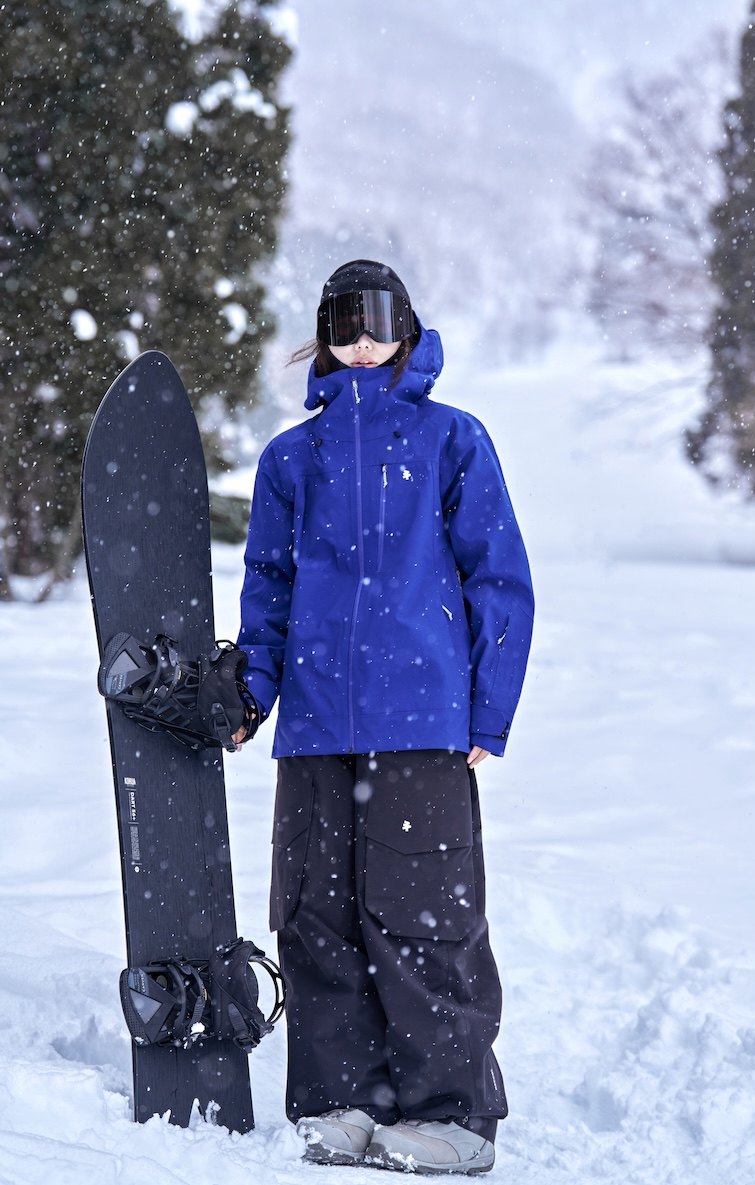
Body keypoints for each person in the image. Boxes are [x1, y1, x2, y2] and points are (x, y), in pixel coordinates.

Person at [233, 260, 534, 1175]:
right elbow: (268, 587)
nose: (361, 342)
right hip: (317, 722)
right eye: (343, 324)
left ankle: (453, 1115)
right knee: (316, 913)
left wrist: (489, 709)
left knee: (422, 916)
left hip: (422, 721)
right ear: (324, 333)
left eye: (376, 323)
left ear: (406, 326)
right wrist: (252, 692)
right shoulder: (292, 457)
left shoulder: (451, 439)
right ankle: (345, 1100)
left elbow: (498, 577)